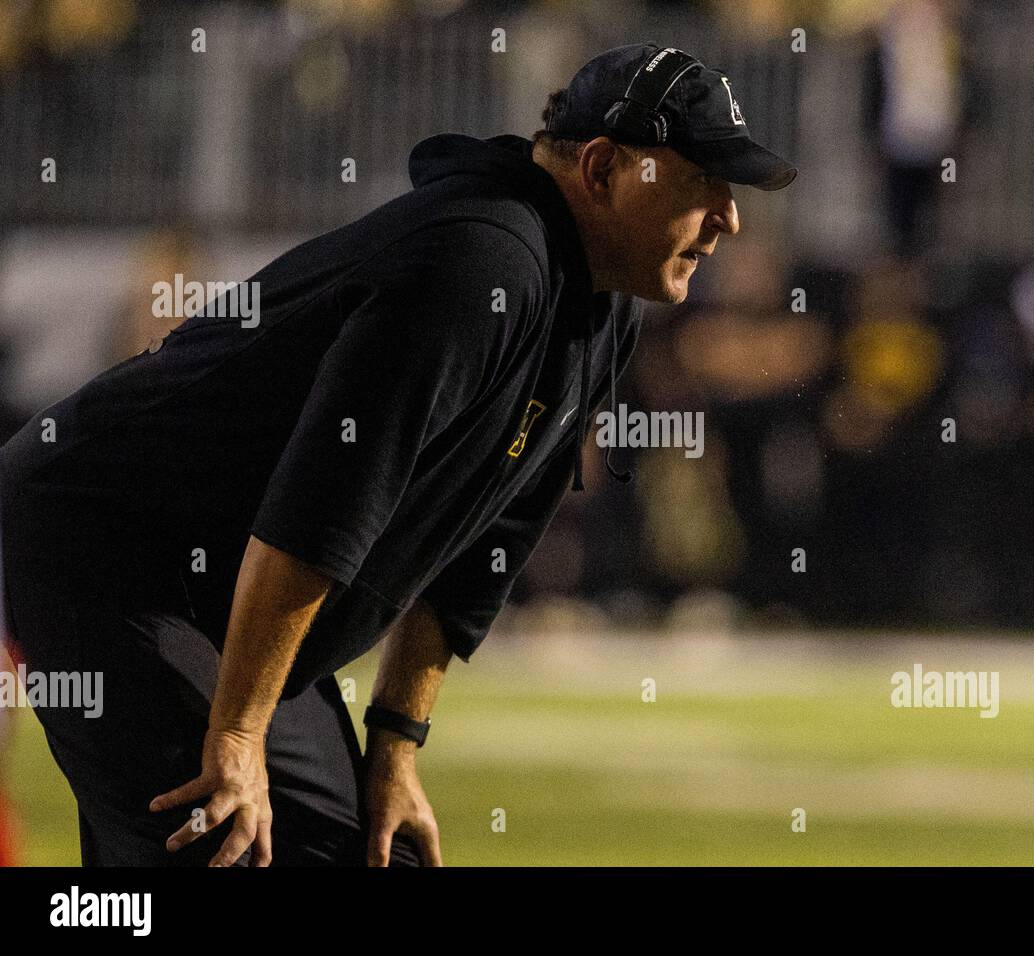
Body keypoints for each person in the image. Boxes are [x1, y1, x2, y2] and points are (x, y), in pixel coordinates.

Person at [0, 43, 794, 867]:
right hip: (108, 547)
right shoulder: (482, 261)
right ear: (601, 169)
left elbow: (481, 550)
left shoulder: (600, 303)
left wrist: (396, 749)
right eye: (704, 181)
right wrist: (235, 734)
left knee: (377, 855)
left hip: (228, 594)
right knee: (229, 841)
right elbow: (315, 514)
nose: (729, 218)